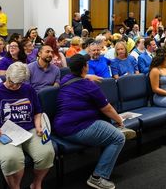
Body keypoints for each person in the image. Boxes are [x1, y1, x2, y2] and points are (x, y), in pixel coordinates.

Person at [53, 54, 135, 189]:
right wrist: (120, 120)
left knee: (106, 126)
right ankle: (97, 177)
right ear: (85, 67)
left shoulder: (66, 79)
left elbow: (79, 78)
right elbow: (107, 108)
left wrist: (87, 76)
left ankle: (111, 131)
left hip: (61, 126)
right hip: (78, 127)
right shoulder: (89, 86)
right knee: (118, 138)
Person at [0, 62, 55, 189]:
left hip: (28, 130)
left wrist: (38, 126)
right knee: (12, 158)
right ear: (6, 76)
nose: (14, 86)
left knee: (46, 153)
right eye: (12, 82)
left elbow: (37, 112)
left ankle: (36, 184)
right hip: (1, 133)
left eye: (19, 84)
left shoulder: (28, 89)